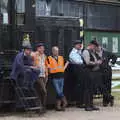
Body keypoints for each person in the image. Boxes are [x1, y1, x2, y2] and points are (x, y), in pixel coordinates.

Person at [46, 46, 68, 111]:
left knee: (60, 92)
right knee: (58, 91)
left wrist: (64, 68)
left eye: (57, 51)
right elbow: (49, 68)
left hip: (61, 76)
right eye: (55, 51)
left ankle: (58, 107)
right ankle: (65, 101)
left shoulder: (61, 57)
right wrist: (52, 70)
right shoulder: (49, 58)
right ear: (52, 51)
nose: (56, 52)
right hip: (54, 77)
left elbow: (67, 62)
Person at [82, 40, 101, 111]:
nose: (95, 48)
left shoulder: (92, 52)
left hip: (92, 72)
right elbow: (87, 62)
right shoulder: (86, 51)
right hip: (87, 72)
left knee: (91, 89)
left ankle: (91, 104)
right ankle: (87, 105)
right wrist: (96, 62)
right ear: (91, 45)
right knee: (87, 89)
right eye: (94, 46)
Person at [31, 43, 48, 112]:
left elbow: (45, 65)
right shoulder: (34, 54)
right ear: (38, 48)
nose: (42, 49)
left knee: (40, 91)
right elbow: (30, 58)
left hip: (44, 75)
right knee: (44, 91)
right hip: (37, 75)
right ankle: (42, 107)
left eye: (43, 48)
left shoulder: (44, 56)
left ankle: (40, 108)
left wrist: (47, 74)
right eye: (41, 48)